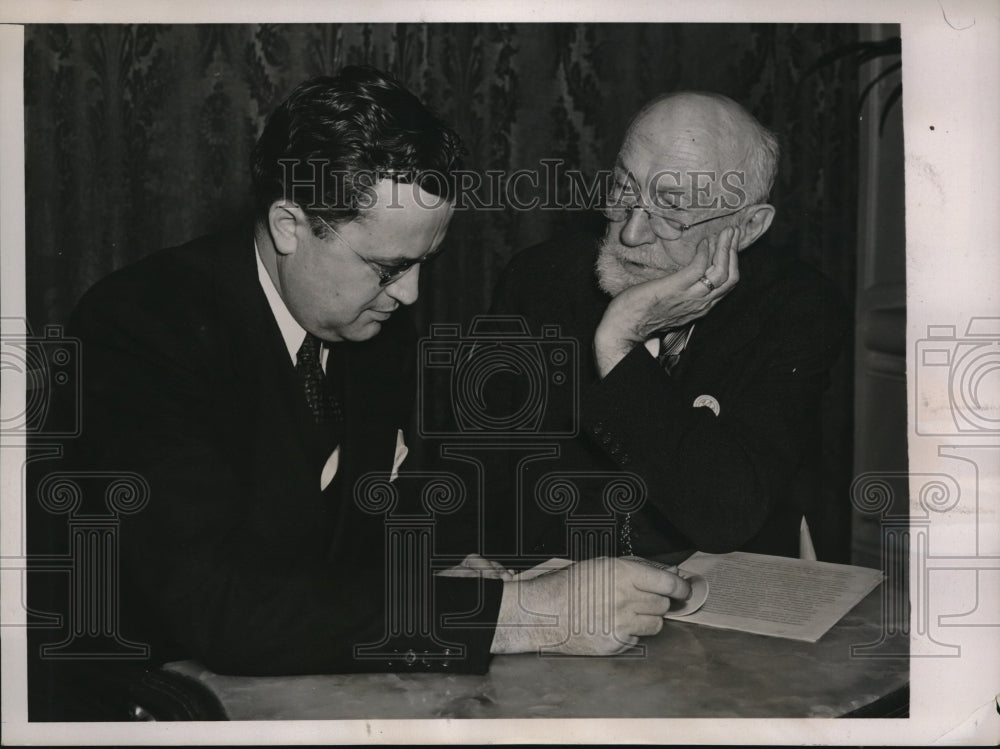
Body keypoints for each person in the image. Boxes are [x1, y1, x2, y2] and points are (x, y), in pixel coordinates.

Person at [27, 66, 689, 720]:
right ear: (290, 224)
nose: (410, 296)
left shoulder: (367, 321)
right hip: (142, 702)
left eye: (423, 264)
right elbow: (219, 607)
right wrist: (523, 615)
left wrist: (452, 578)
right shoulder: (141, 328)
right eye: (388, 268)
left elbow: (351, 540)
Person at [484, 91, 849, 563]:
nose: (631, 233)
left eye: (673, 211)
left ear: (749, 227)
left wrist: (619, 344)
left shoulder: (797, 309)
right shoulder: (538, 281)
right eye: (623, 191)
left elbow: (725, 518)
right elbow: (481, 479)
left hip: (727, 601)